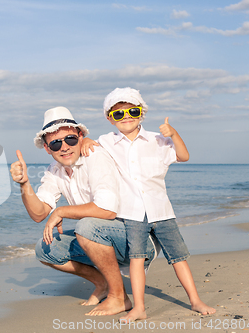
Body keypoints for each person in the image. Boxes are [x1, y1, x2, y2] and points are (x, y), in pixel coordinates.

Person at [10, 106, 160, 316]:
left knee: (87, 226)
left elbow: (106, 210)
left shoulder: (95, 156)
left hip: (140, 241)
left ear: (81, 136)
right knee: (45, 248)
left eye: (70, 139)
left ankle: (119, 298)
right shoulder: (55, 170)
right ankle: (103, 284)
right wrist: (24, 184)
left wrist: (62, 211)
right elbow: (38, 214)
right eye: (55, 143)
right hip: (106, 238)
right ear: (47, 148)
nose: (64, 147)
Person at [82, 87, 216, 322]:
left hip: (162, 209)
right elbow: (90, 150)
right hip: (132, 212)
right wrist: (84, 139)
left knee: (178, 257)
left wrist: (174, 134)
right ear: (109, 118)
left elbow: (183, 156)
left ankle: (195, 300)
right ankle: (139, 308)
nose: (126, 117)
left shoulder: (158, 139)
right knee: (137, 258)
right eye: (118, 114)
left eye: (132, 111)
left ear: (141, 112)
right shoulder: (106, 142)